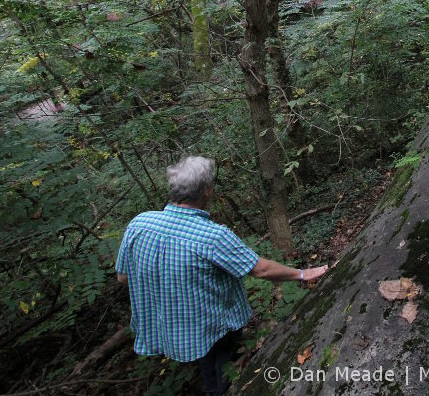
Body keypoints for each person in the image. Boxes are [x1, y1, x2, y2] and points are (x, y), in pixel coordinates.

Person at [116, 156, 328, 395]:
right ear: (207, 190)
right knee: (225, 375)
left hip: (178, 328)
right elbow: (260, 269)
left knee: (209, 370)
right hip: (216, 327)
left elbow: (123, 277)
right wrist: (302, 273)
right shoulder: (212, 236)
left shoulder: (139, 224)